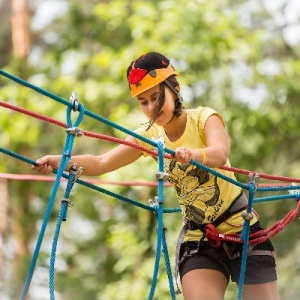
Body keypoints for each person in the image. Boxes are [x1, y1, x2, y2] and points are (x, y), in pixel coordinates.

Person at [33, 52, 279, 300]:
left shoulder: (205, 118)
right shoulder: (150, 138)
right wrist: (60, 161)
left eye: (156, 97)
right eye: (143, 101)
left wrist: (192, 154)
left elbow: (219, 152)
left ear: (175, 89)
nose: (151, 107)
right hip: (200, 239)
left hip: (242, 228)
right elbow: (102, 162)